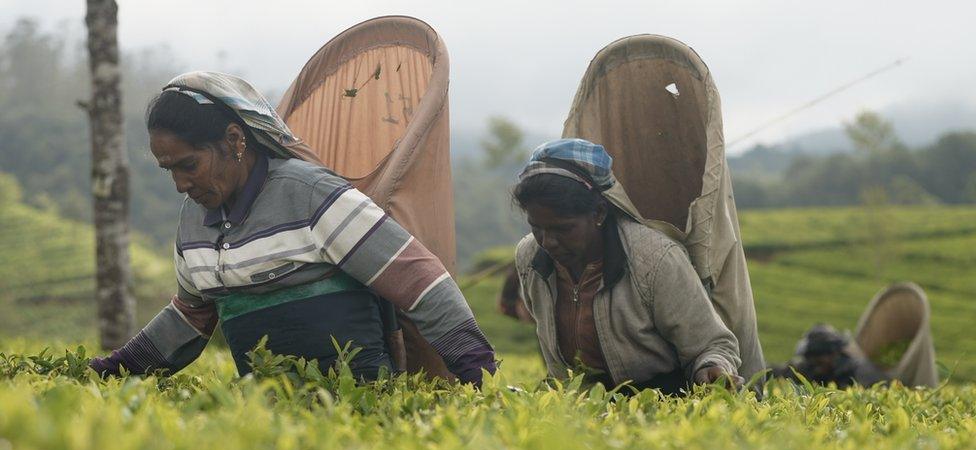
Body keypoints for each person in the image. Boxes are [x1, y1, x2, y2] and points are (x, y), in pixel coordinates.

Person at [90, 72, 495, 385]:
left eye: (189, 165)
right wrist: (115, 369)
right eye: (169, 170)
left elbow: (421, 280)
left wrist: (475, 371)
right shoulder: (193, 219)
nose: (180, 183)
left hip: (361, 404)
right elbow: (190, 317)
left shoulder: (311, 194)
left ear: (234, 140)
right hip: (270, 412)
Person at [512, 139, 742, 394]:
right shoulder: (530, 256)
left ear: (599, 213)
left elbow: (712, 344)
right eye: (537, 228)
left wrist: (711, 368)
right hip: (578, 405)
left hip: (659, 399)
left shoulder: (655, 259)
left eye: (563, 229)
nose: (548, 242)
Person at [771, 324, 889, 388]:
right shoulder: (809, 368)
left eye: (818, 357)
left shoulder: (857, 371)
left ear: (833, 354)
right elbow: (778, 372)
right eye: (809, 357)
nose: (813, 363)